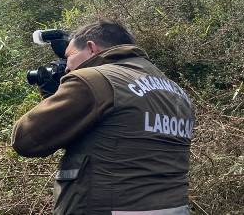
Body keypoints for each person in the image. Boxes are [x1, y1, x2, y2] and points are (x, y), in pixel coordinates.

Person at [12, 20, 195, 215]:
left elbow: (25, 139)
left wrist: (52, 94)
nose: (66, 68)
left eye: (69, 57)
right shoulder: (176, 92)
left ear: (91, 48)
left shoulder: (93, 80)